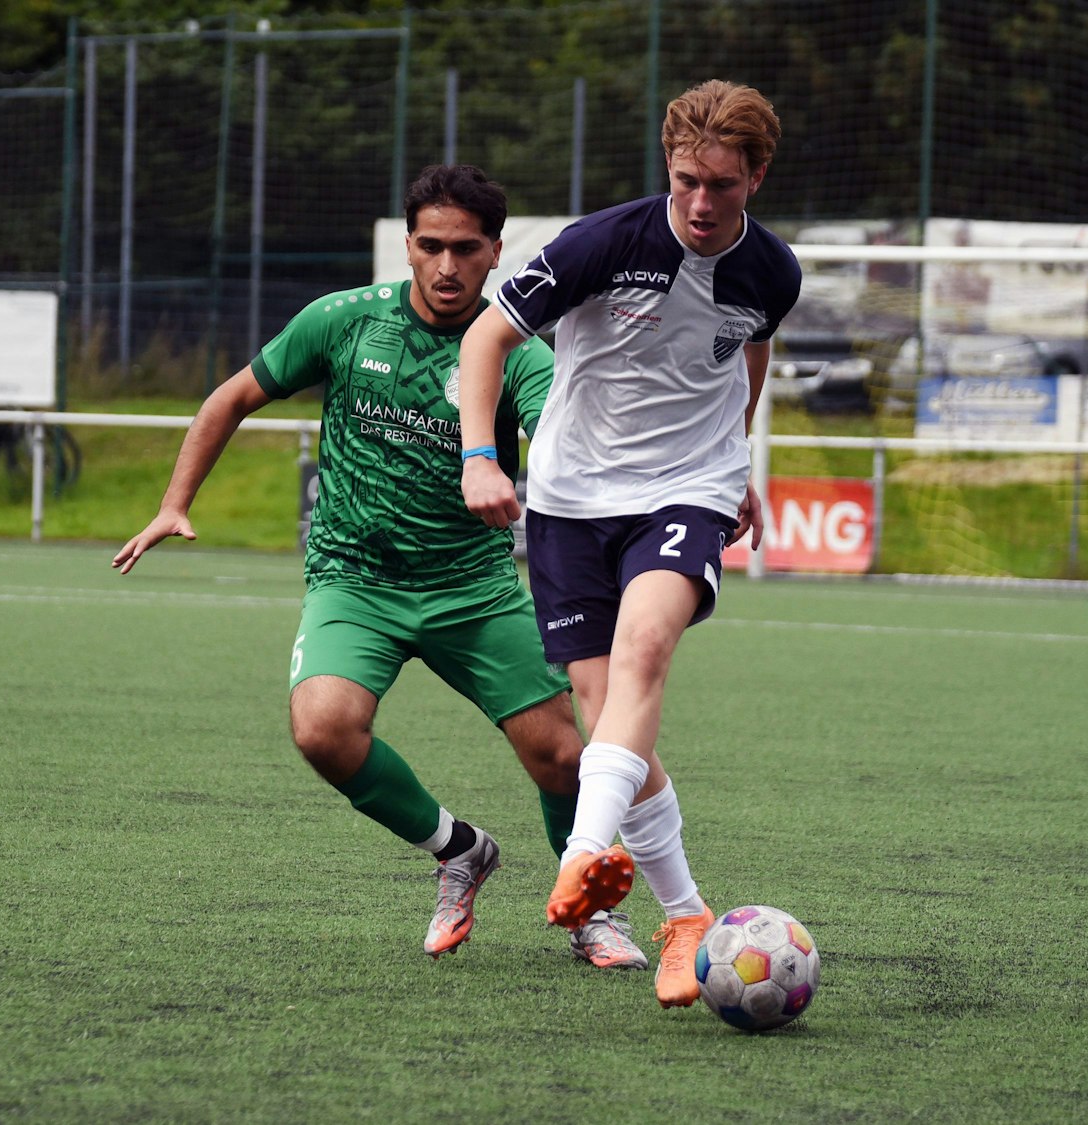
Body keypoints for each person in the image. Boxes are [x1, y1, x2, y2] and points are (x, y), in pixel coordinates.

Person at [114, 165, 647, 969]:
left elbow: (560, 441)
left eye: (465, 248)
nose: (445, 266)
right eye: (429, 245)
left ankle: (591, 913)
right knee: (321, 728)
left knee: (566, 756)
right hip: (354, 580)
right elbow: (230, 398)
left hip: (472, 587)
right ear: (406, 244)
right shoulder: (344, 321)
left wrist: (529, 473)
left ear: (497, 252)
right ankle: (458, 848)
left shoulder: (521, 355)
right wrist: (174, 500)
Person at [455, 81, 801, 1007]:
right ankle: (686, 912)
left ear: (755, 177)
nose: (699, 202)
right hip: (570, 498)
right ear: (668, 168)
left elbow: (748, 351)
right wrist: (481, 457)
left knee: (646, 652)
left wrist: (739, 459)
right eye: (686, 180)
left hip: (686, 491)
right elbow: (485, 338)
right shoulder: (602, 241)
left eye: (721, 186)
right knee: (604, 711)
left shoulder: (776, 271)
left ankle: (582, 854)